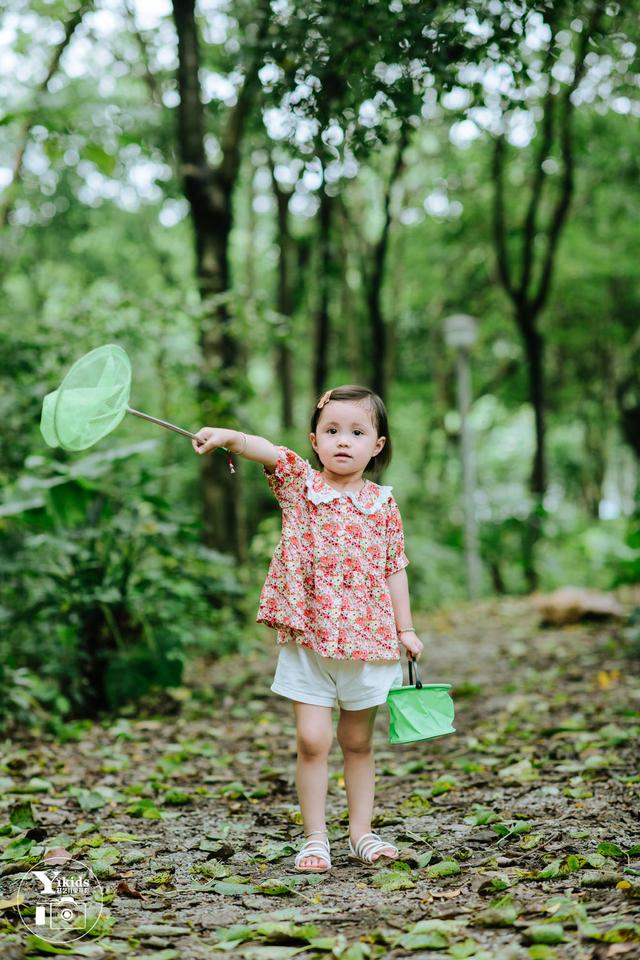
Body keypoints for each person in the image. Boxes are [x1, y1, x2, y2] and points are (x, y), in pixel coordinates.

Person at [192, 384, 424, 872]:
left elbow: (394, 567)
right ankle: (315, 837)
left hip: (367, 642)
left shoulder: (382, 505)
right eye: (332, 431)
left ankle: (361, 830)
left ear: (377, 445)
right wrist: (229, 436)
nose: (344, 441)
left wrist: (406, 629)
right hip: (308, 637)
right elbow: (268, 452)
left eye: (357, 432)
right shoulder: (302, 486)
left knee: (358, 742)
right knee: (313, 740)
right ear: (315, 441)